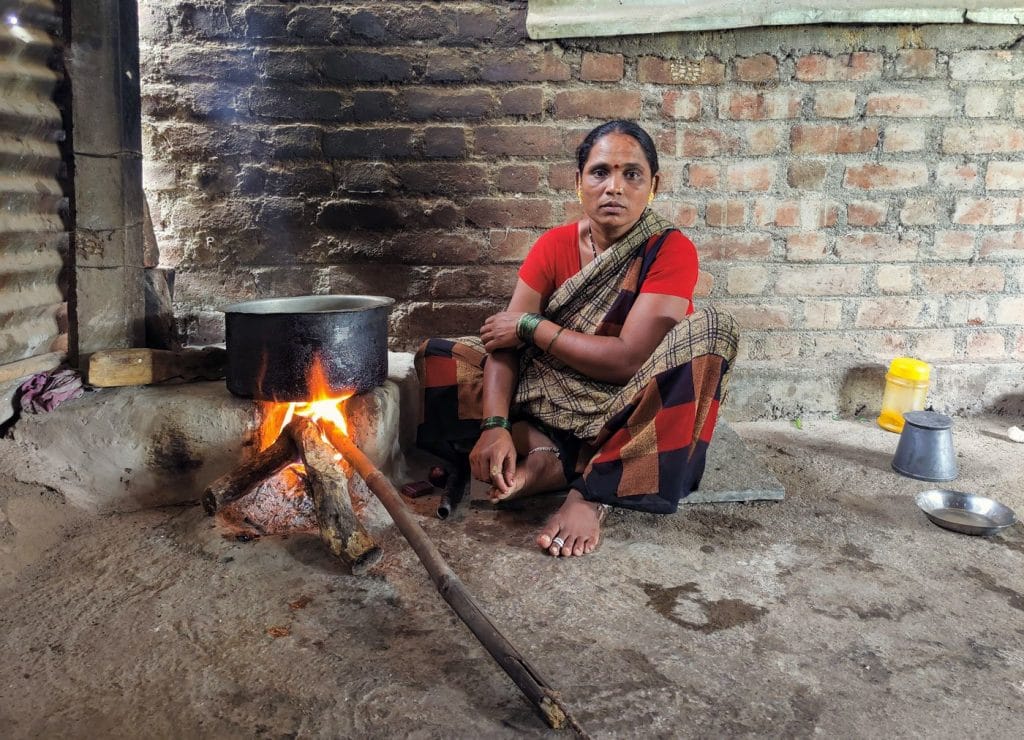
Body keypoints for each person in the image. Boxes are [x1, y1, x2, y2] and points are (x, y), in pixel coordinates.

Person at [415, 120, 739, 558]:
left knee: (714, 329)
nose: (614, 187)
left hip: (627, 402)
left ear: (653, 186)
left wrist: (533, 327)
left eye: (632, 174)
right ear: (578, 182)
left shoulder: (668, 250)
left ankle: (589, 492)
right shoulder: (554, 245)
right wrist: (494, 426)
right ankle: (543, 454)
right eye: (600, 172)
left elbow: (628, 360)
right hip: (552, 392)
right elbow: (504, 345)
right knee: (438, 358)